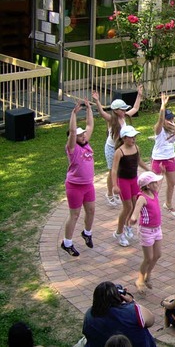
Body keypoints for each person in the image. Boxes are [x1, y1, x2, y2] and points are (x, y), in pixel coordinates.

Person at [93, 86, 143, 207]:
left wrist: (139, 95)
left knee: (120, 171)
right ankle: (109, 194)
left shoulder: (124, 117)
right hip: (111, 148)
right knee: (112, 171)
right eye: (122, 109)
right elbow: (102, 113)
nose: (125, 111)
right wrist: (97, 101)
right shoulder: (111, 119)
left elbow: (135, 108)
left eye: (125, 109)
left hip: (121, 148)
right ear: (116, 110)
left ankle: (117, 192)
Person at [61, 100, 95, 256]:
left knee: (91, 211)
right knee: (74, 215)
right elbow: (73, 132)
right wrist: (73, 114)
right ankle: (67, 243)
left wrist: (88, 109)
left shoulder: (86, 143)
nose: (82, 135)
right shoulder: (72, 149)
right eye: (79, 134)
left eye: (83, 134)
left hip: (88, 185)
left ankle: (87, 233)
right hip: (75, 186)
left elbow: (90, 125)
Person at [82, 281, 155, 347]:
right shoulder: (133, 311)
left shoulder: (89, 315)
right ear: (119, 297)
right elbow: (151, 321)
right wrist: (132, 302)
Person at [112, 125, 150, 247]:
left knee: (135, 204)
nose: (134, 139)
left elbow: (139, 161)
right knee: (127, 207)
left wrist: (148, 170)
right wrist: (114, 185)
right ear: (124, 138)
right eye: (131, 137)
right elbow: (114, 170)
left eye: (134, 137)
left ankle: (128, 225)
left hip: (134, 180)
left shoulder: (136, 148)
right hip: (123, 181)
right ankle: (119, 232)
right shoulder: (120, 151)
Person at [129, 171, 164, 293]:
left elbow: (160, 182)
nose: (157, 183)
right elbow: (135, 212)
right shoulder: (142, 198)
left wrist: (162, 172)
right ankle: (139, 280)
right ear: (148, 185)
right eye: (154, 182)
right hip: (146, 231)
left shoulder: (154, 193)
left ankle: (148, 274)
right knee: (148, 258)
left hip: (157, 229)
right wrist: (133, 219)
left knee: (157, 254)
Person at [151, 93, 175, 217]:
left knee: (172, 183)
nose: (172, 121)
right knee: (156, 186)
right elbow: (160, 120)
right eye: (169, 119)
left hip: (170, 158)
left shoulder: (174, 128)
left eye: (173, 119)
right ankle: (153, 206)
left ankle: (168, 204)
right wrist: (162, 105)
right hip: (158, 160)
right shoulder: (159, 130)